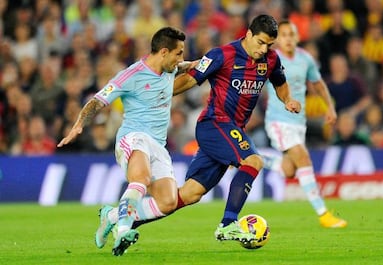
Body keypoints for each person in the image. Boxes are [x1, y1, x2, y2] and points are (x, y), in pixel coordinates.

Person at [98, 14, 300, 248]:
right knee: (253, 161)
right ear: (248, 35)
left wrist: (288, 100)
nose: (264, 49)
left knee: (188, 195)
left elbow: (280, 83)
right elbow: (188, 80)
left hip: (232, 130)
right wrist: (158, 95)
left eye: (269, 45)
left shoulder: (271, 60)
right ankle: (228, 223)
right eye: (260, 42)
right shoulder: (222, 55)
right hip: (215, 124)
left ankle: (117, 218)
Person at [57, 26, 195, 256]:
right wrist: (79, 124)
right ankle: (122, 233)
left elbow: (182, 66)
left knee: (168, 202)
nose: (181, 58)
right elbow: (97, 101)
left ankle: (111, 216)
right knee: (141, 178)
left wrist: (195, 64)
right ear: (163, 52)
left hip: (158, 145)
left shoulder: (170, 67)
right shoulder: (130, 75)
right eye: (178, 52)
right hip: (133, 137)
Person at [263, 20, 347, 228]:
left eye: (291, 34)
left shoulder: (305, 59)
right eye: (283, 35)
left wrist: (330, 107)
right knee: (303, 158)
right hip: (278, 120)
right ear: (277, 39)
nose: (288, 39)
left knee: (289, 170)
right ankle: (323, 213)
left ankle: (244, 158)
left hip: (299, 122)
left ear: (298, 37)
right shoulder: (271, 59)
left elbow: (317, 84)